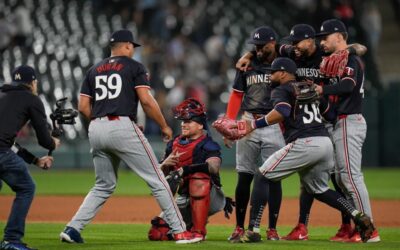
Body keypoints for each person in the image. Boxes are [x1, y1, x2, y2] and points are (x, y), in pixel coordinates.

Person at [59, 29, 201, 244]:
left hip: (96, 128)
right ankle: (180, 231)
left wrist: (101, 122)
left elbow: (83, 107)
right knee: (157, 179)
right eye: (132, 46)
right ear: (126, 46)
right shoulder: (134, 66)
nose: (133, 50)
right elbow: (146, 100)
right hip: (121, 124)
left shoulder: (93, 69)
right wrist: (164, 126)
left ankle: (72, 229)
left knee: (103, 184)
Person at [235, 23, 367, 241]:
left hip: (307, 138)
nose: (294, 46)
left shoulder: (284, 88)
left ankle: (254, 230)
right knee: (317, 187)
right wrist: (249, 54)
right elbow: (330, 113)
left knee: (264, 174)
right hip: (323, 130)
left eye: (298, 42)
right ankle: (354, 215)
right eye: (292, 42)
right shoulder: (291, 55)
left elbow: (283, 110)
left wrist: (254, 125)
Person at [315, 19, 380, 243]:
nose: (322, 42)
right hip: (338, 122)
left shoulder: (350, 59)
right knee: (342, 180)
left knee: (350, 178)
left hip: (348, 121)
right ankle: (359, 227)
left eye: (326, 37)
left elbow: (347, 86)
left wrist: (321, 89)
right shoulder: (332, 61)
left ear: (340, 37)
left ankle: (369, 228)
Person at [225, 26, 286, 243]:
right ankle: (239, 227)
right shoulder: (246, 65)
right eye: (255, 46)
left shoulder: (284, 62)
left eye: (263, 46)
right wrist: (230, 124)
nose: (259, 50)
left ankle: (272, 229)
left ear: (273, 43)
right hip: (248, 120)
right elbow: (236, 96)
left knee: (274, 177)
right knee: (244, 175)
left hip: (274, 122)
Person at [148, 98, 230, 242]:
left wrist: (185, 170)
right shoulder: (174, 144)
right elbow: (157, 177)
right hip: (184, 197)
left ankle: (199, 232)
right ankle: (190, 223)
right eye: (182, 121)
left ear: (200, 125)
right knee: (157, 234)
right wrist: (165, 165)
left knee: (198, 177)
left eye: (188, 121)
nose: (183, 124)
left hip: (211, 196)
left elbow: (214, 167)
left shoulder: (208, 144)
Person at [0, 65, 59, 250]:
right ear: (32, 82)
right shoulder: (31, 99)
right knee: (26, 187)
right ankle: (11, 240)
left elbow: (7, 141)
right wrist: (52, 143)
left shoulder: (2, 95)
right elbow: (44, 139)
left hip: (2, 148)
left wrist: (35, 160)